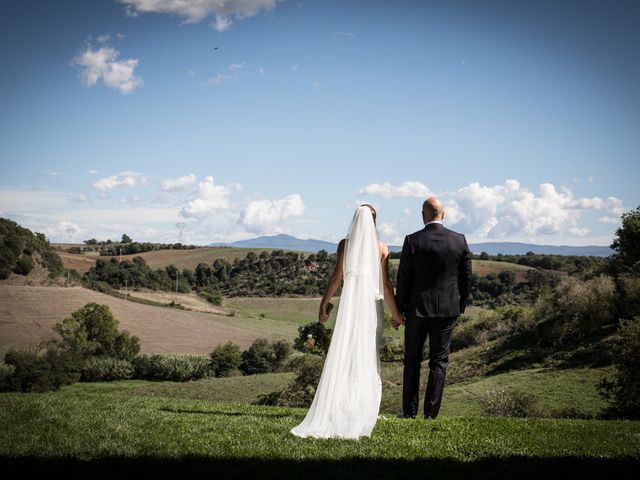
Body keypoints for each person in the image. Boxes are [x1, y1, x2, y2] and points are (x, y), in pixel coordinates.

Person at [290, 203, 403, 439]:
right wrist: (396, 314)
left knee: (345, 353)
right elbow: (385, 285)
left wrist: (324, 303)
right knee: (368, 354)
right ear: (375, 222)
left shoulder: (345, 244)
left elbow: (336, 277)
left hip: (350, 307)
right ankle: (364, 408)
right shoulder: (381, 248)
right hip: (372, 308)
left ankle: (343, 406)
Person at [394, 197, 473, 419]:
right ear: (443, 215)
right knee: (439, 362)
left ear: (423, 216)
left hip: (416, 310)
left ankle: (409, 413)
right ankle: (430, 414)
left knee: (412, 361)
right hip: (448, 311)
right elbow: (467, 279)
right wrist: (459, 305)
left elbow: (404, 279)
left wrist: (399, 310)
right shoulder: (459, 240)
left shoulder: (412, 240)